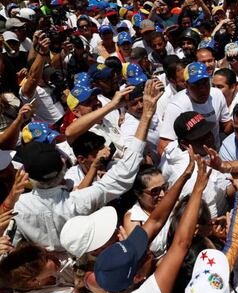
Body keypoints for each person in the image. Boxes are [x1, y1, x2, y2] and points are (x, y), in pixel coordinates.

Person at [10, 80, 162, 251]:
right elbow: (124, 172)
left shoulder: (17, 208)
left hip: (46, 272)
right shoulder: (78, 202)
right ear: (62, 164)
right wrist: (147, 115)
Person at [93, 154, 211, 293]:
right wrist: (198, 189)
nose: (147, 252)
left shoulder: (115, 283)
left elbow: (155, 222)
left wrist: (185, 177)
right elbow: (181, 243)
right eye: (143, 255)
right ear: (137, 277)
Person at [160, 111, 232, 218]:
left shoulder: (174, 147)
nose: (209, 138)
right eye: (201, 138)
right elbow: (208, 219)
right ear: (184, 144)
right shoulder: (194, 177)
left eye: (208, 132)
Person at [158, 62, 232, 154]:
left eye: (205, 83)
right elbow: (163, 145)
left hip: (216, 154)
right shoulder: (176, 106)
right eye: (196, 85)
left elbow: (226, 126)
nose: (202, 89)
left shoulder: (217, 94)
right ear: (186, 85)